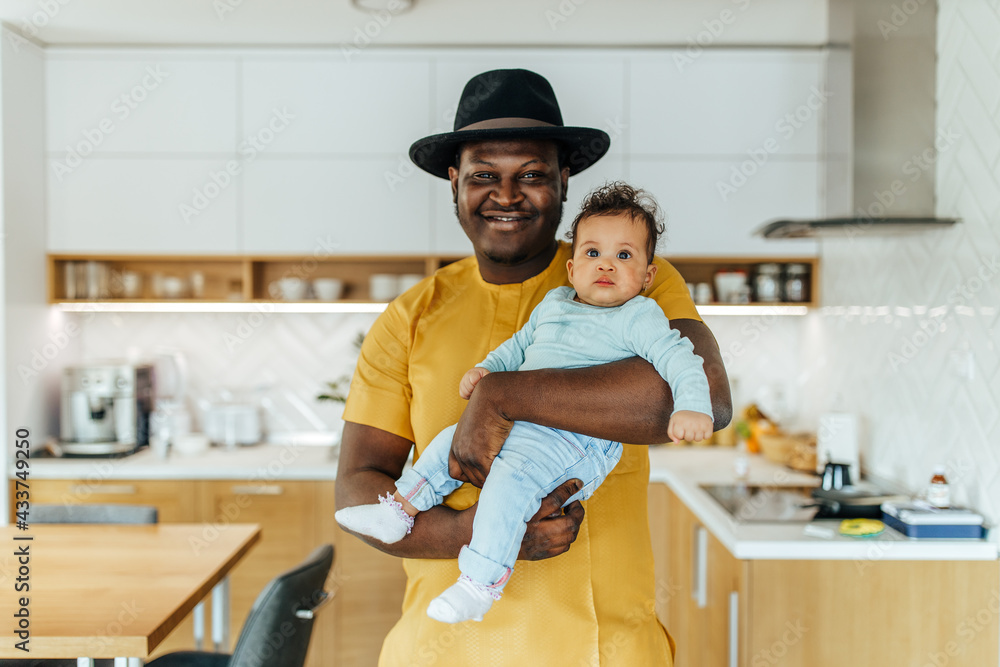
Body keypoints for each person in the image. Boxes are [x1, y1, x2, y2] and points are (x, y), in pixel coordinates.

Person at [336, 68, 732, 665]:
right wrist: (490, 535)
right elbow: (358, 484)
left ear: (565, 181)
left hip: (602, 647)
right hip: (443, 650)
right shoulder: (410, 316)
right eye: (483, 176)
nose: (507, 194)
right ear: (454, 183)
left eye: (532, 175)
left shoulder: (625, 280)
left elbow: (699, 397)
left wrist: (501, 396)